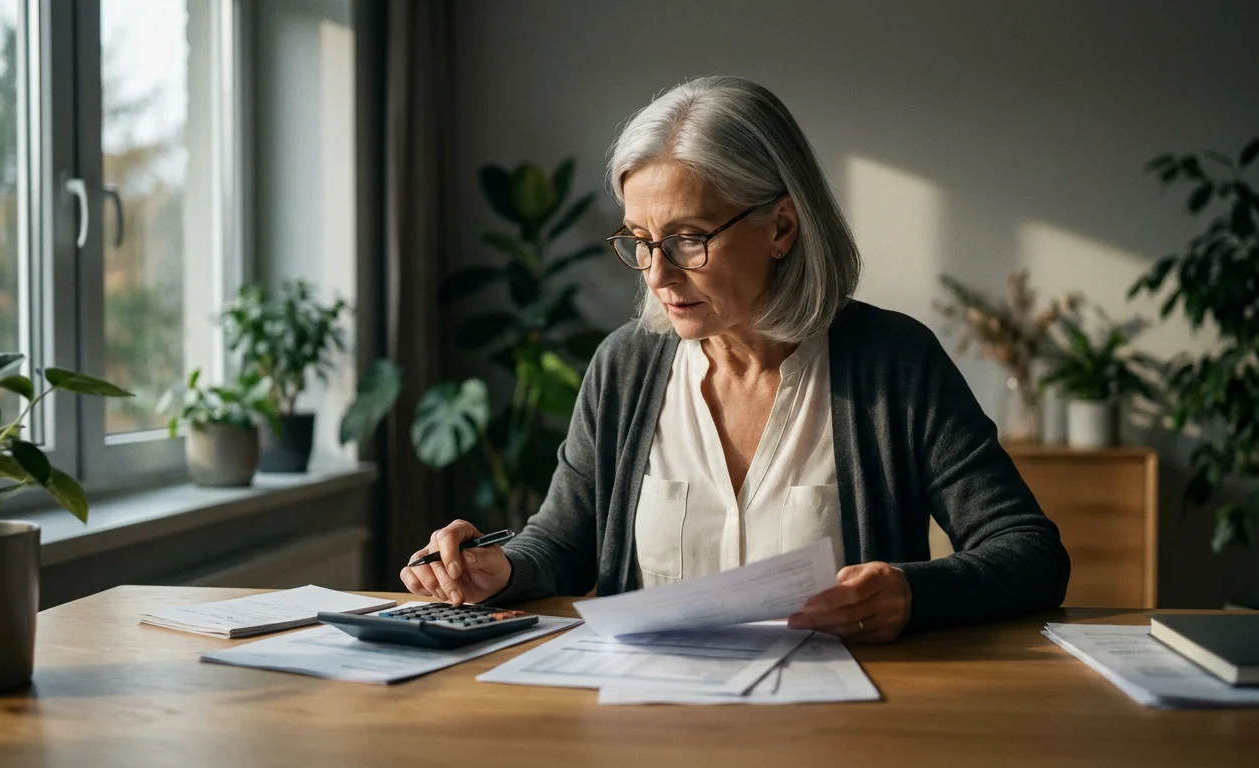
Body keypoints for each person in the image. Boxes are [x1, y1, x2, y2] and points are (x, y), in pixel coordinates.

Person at [402, 76, 1069, 642]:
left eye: (689, 239)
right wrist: (503, 569)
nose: (657, 275)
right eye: (639, 239)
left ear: (781, 227)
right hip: (649, 723)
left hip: (843, 727)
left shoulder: (893, 362)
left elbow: (1031, 555)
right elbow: (565, 543)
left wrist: (910, 593)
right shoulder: (624, 367)